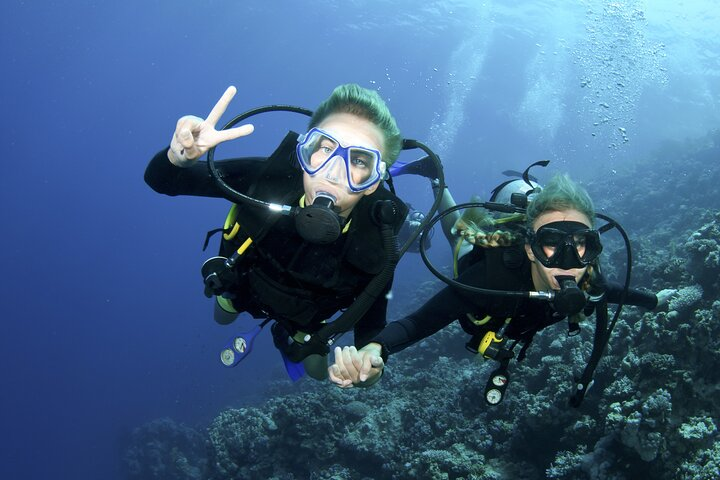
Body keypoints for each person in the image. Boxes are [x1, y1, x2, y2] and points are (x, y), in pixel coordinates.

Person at [328, 174, 677, 404]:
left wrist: (657, 301)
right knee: (459, 235)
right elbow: (419, 323)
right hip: (481, 272)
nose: (568, 260)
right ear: (530, 248)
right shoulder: (489, 281)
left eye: (581, 244)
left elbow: (618, 293)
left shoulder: (589, 282)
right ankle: (439, 182)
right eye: (551, 243)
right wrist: (375, 349)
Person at [145, 84, 413, 381]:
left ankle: (288, 339)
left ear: (373, 182)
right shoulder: (267, 179)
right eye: (325, 148)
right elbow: (163, 181)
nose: (333, 173)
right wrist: (178, 157)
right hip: (240, 288)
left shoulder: (379, 236)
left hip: (306, 323)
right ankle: (232, 304)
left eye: (359, 161)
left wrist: (370, 364)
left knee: (320, 375)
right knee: (222, 317)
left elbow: (372, 326)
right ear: (305, 153)